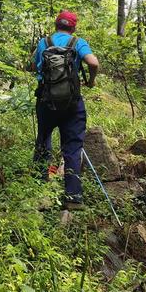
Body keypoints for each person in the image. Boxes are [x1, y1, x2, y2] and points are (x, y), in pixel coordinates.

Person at [33, 11, 99, 209]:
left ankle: (38, 191)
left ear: (56, 24)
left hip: (46, 101)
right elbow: (93, 62)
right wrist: (91, 81)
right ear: (73, 27)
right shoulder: (77, 42)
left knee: (43, 141)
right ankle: (73, 198)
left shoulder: (43, 42)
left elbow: (35, 66)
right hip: (72, 103)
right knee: (72, 147)